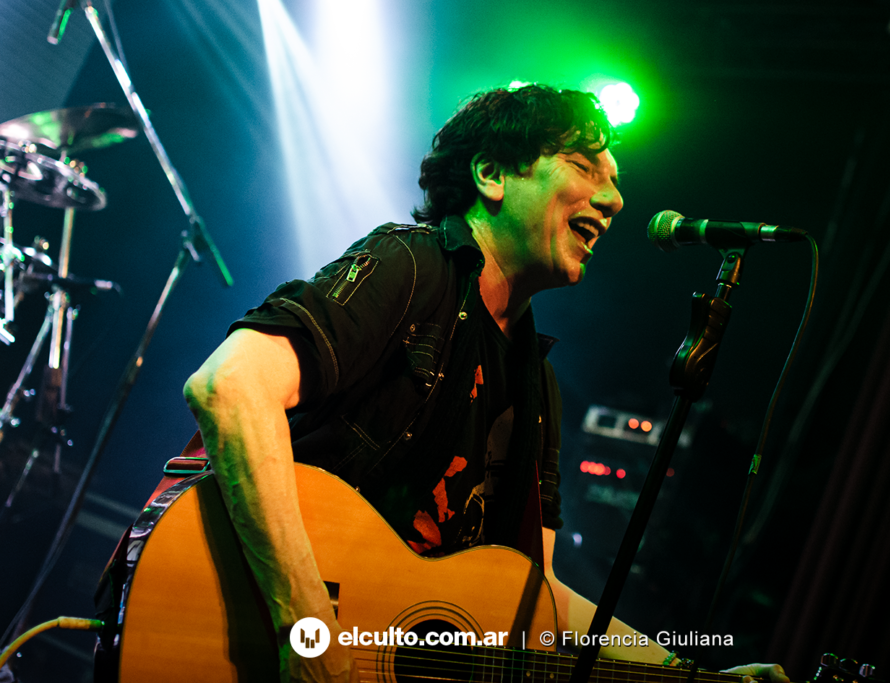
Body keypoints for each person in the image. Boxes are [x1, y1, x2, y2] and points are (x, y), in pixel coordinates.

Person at [184, 85, 788, 683]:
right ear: (491, 174)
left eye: (615, 179)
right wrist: (307, 627)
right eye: (585, 166)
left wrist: (694, 674)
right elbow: (227, 386)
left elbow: (538, 600)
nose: (617, 200)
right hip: (240, 631)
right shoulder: (412, 266)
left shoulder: (538, 389)